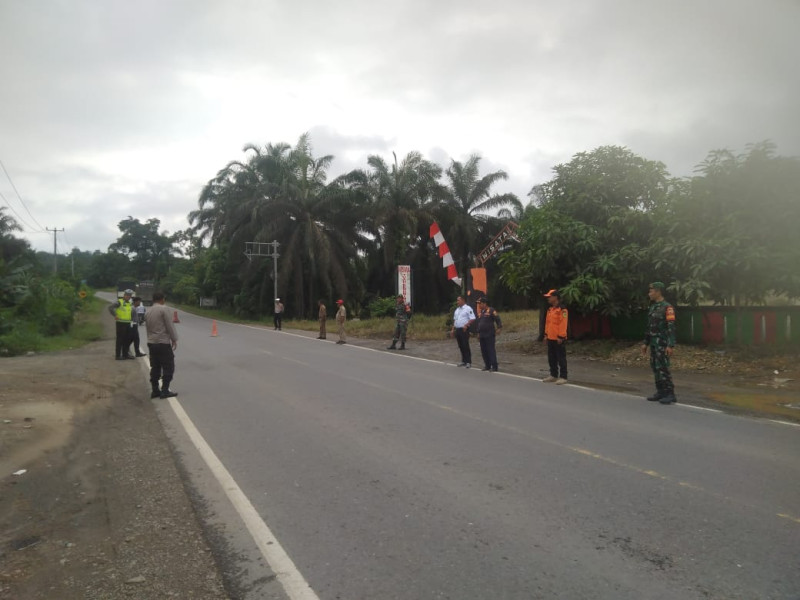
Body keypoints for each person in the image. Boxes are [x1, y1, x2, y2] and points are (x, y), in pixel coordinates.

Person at [641, 281, 677, 404]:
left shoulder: (668, 307)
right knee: (655, 367)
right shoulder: (653, 307)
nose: (649, 293)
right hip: (654, 344)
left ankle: (670, 394)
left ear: (658, 291)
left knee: (663, 368)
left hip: (662, 343)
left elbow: (671, 327)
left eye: (651, 291)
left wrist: (670, 345)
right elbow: (649, 326)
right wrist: (645, 343)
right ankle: (660, 392)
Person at [145, 291, 179, 399]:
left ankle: (155, 390)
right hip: (162, 342)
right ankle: (165, 390)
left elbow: (147, 328)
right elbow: (170, 325)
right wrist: (174, 339)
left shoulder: (148, 311)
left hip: (151, 342)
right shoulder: (164, 309)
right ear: (162, 299)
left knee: (155, 367)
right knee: (168, 366)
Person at [542, 289, 568, 384]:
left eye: (550, 296)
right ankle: (553, 375)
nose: (548, 298)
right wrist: (546, 335)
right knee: (551, 358)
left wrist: (561, 336)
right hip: (550, 338)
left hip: (558, 338)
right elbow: (547, 324)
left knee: (561, 358)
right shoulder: (550, 310)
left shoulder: (562, 309)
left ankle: (563, 376)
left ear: (555, 297)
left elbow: (563, 323)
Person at [475, 297, 502, 372]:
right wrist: (478, 332)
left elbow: (497, 319)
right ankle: (487, 365)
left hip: (489, 334)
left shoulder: (491, 310)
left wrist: (499, 327)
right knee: (484, 350)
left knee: (490, 350)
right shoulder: (481, 312)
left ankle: (494, 366)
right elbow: (479, 323)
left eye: (480, 303)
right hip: (482, 334)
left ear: (484, 303)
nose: (479, 305)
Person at [108, 289, 135, 360]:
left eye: (130, 295)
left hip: (128, 323)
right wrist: (115, 315)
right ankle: (118, 355)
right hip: (120, 323)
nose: (129, 297)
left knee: (127, 340)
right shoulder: (119, 302)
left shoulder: (129, 303)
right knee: (120, 340)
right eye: (127, 295)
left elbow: (131, 312)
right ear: (124, 295)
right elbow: (110, 308)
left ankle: (125, 354)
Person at [450, 295, 476, 368]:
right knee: (460, 345)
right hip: (458, 329)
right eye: (457, 300)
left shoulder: (468, 308)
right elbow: (455, 320)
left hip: (464, 329)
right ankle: (463, 361)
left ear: (463, 300)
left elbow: (473, 318)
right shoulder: (457, 310)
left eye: (458, 300)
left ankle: (468, 362)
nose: (457, 302)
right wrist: (452, 330)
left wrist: (466, 325)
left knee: (465, 345)